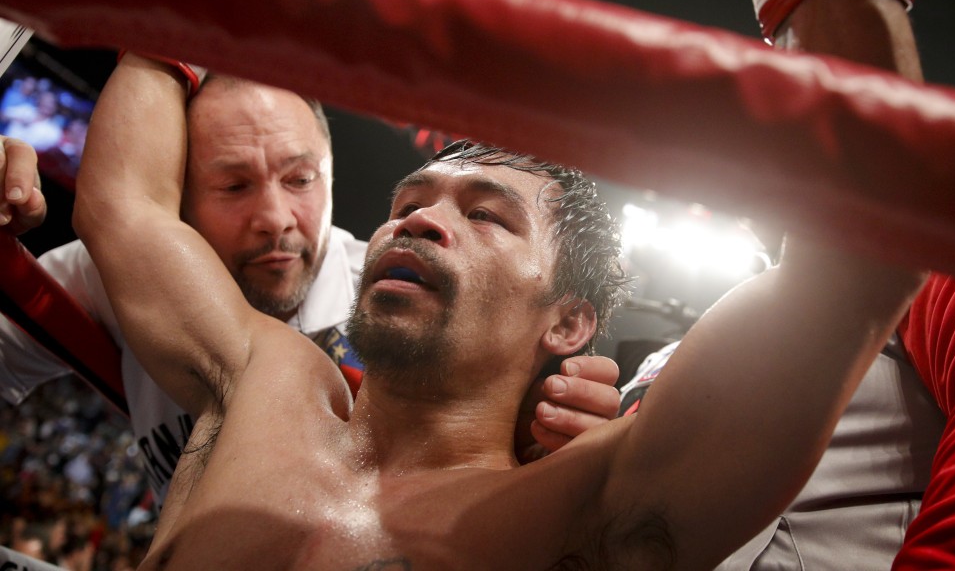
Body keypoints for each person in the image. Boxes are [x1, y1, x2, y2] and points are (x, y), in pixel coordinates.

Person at [68, 43, 922, 568]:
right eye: (409, 202)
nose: (422, 222)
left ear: (568, 320)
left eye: (485, 216)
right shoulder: (263, 377)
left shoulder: (587, 501)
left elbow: (857, 262)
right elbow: (123, 208)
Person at [619, 0, 955, 568]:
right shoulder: (672, 353)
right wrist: (585, 437)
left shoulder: (921, 272)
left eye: (782, 111)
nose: (749, 145)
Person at [0, 75, 621, 508]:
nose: (275, 216)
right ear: (180, 200)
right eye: (234, 186)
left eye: (300, 179)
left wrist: (551, 439)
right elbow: (120, 210)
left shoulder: (422, 301)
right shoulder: (123, 271)